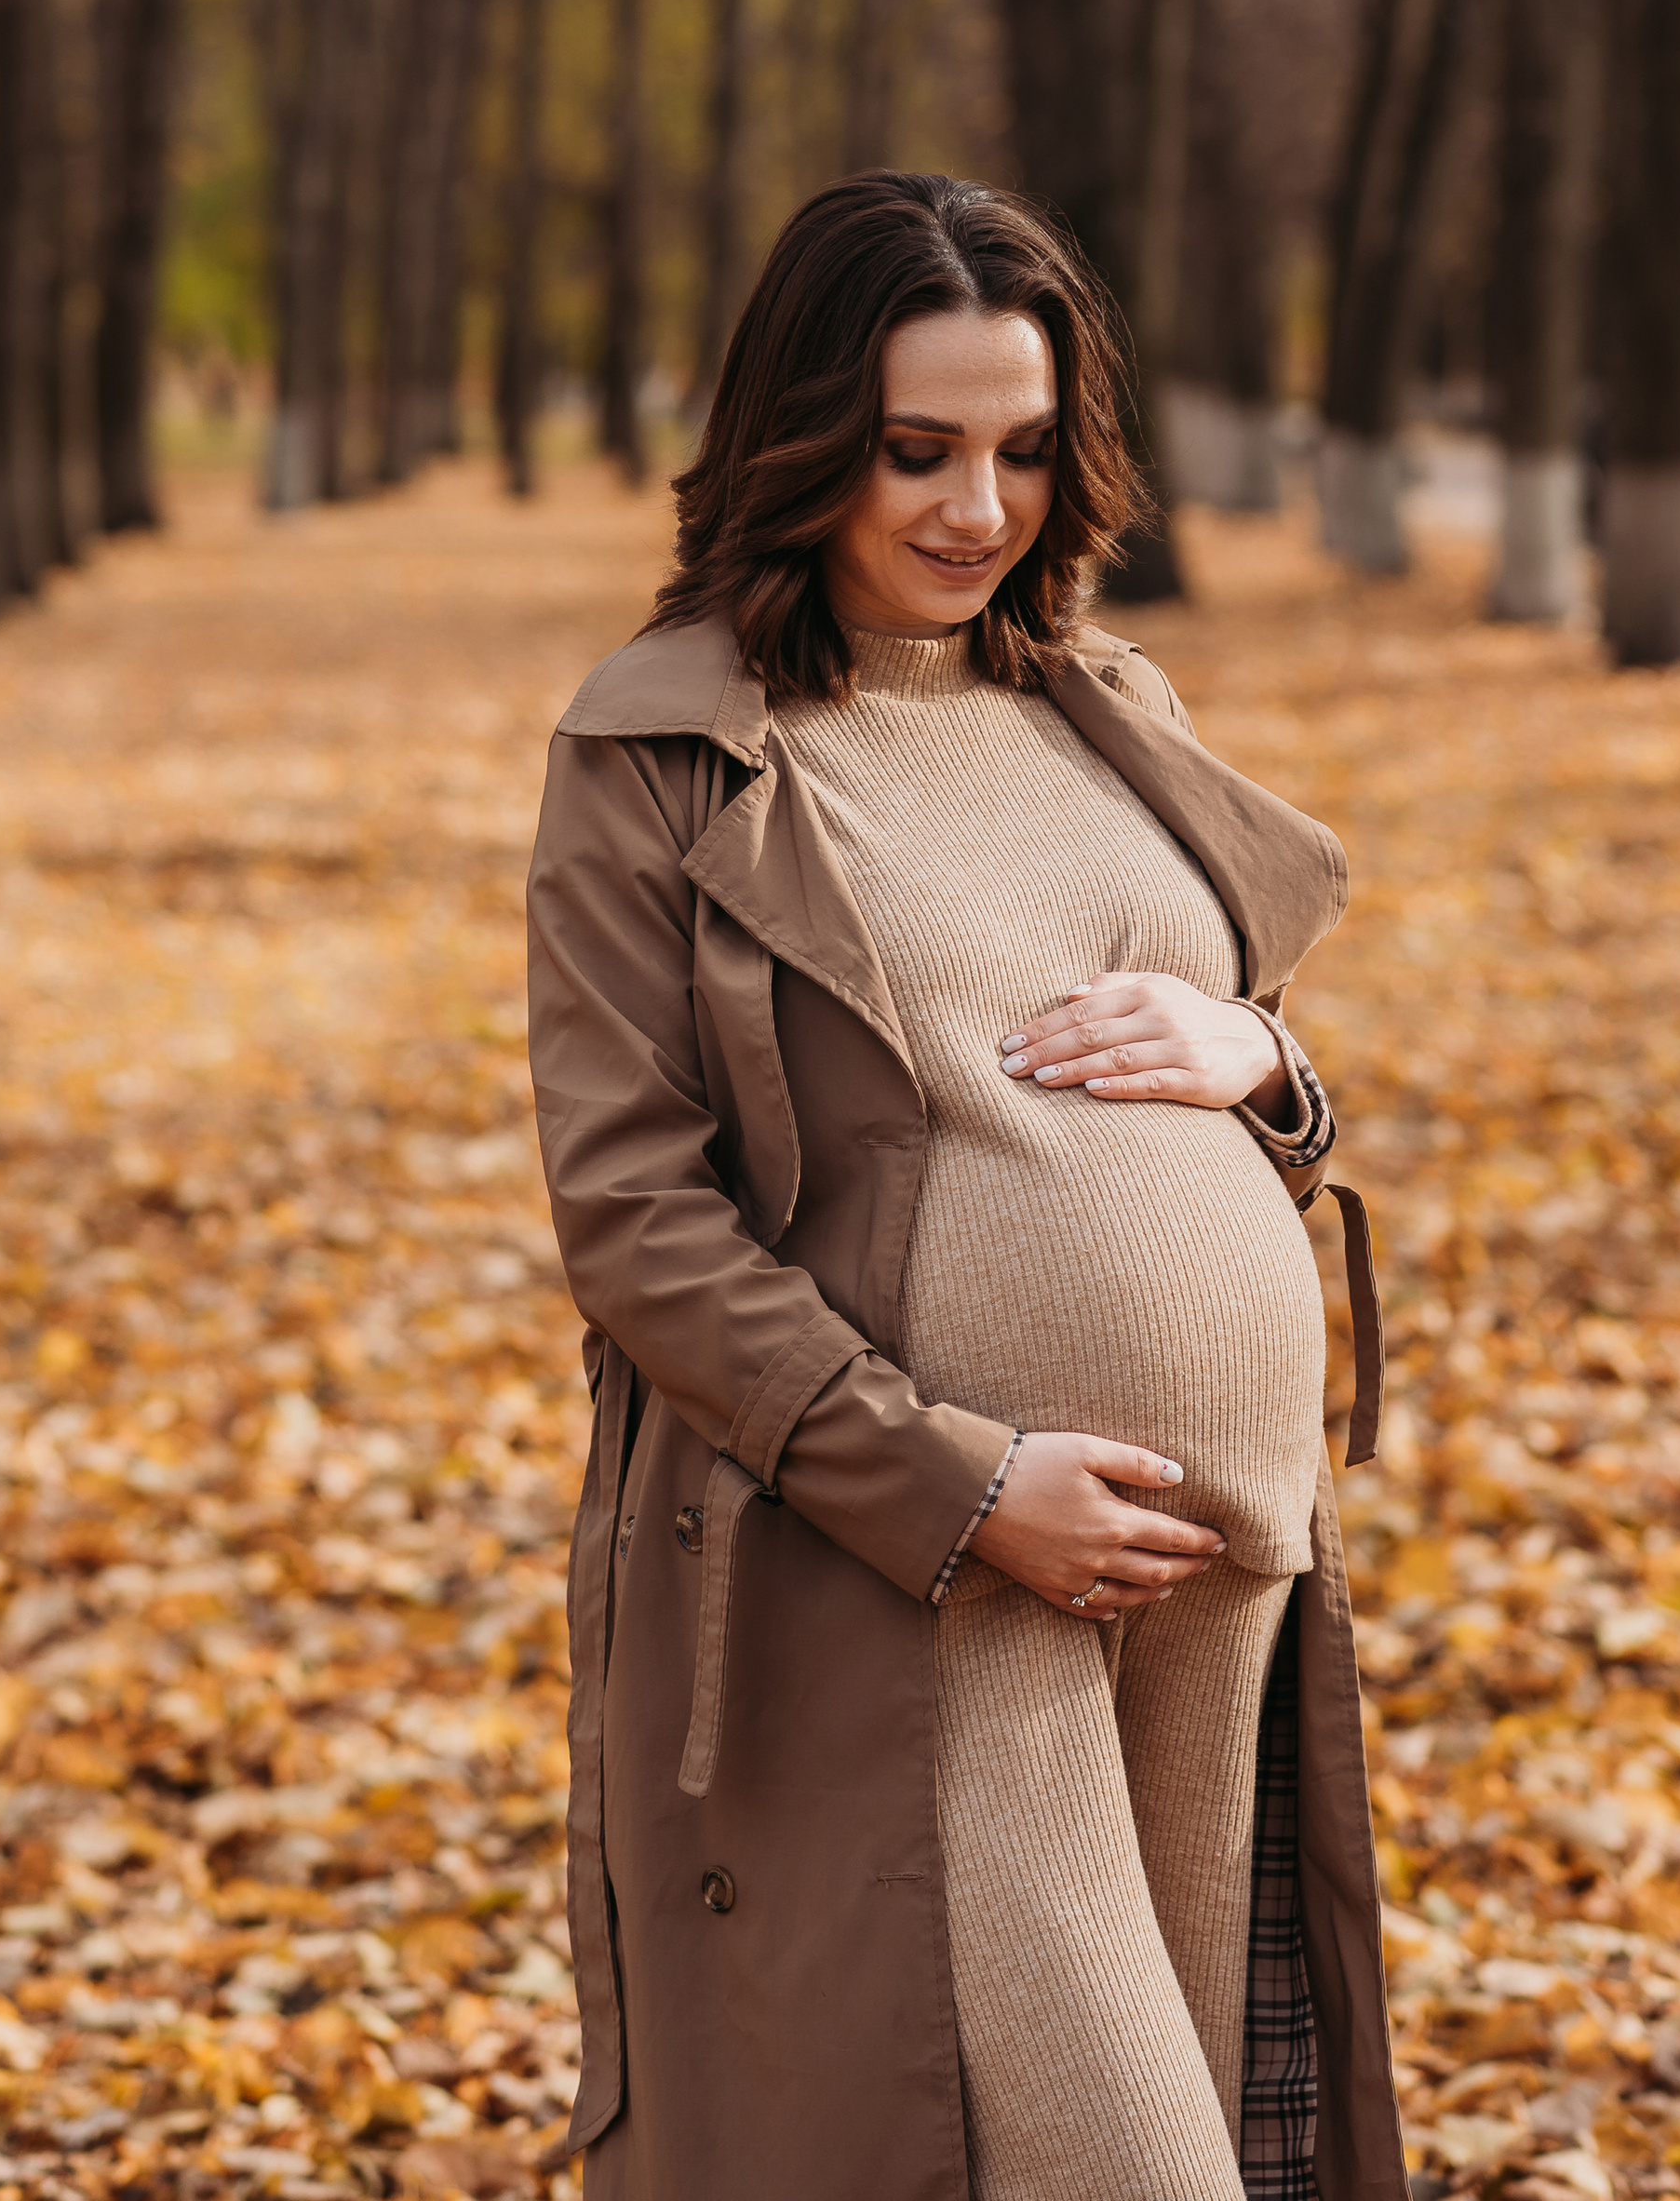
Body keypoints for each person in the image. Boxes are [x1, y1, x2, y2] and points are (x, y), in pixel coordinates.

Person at [525, 171, 1402, 2201]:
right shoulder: (665, 749)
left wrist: (1268, 1068)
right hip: (920, 1573)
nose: (973, 508)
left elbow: (1212, 1058)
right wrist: (958, 1490)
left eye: (1019, 449)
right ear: (798, 438)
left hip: (1220, 1574)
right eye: (913, 450)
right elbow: (634, 1217)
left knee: (1222, 2135)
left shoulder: (1106, 701)